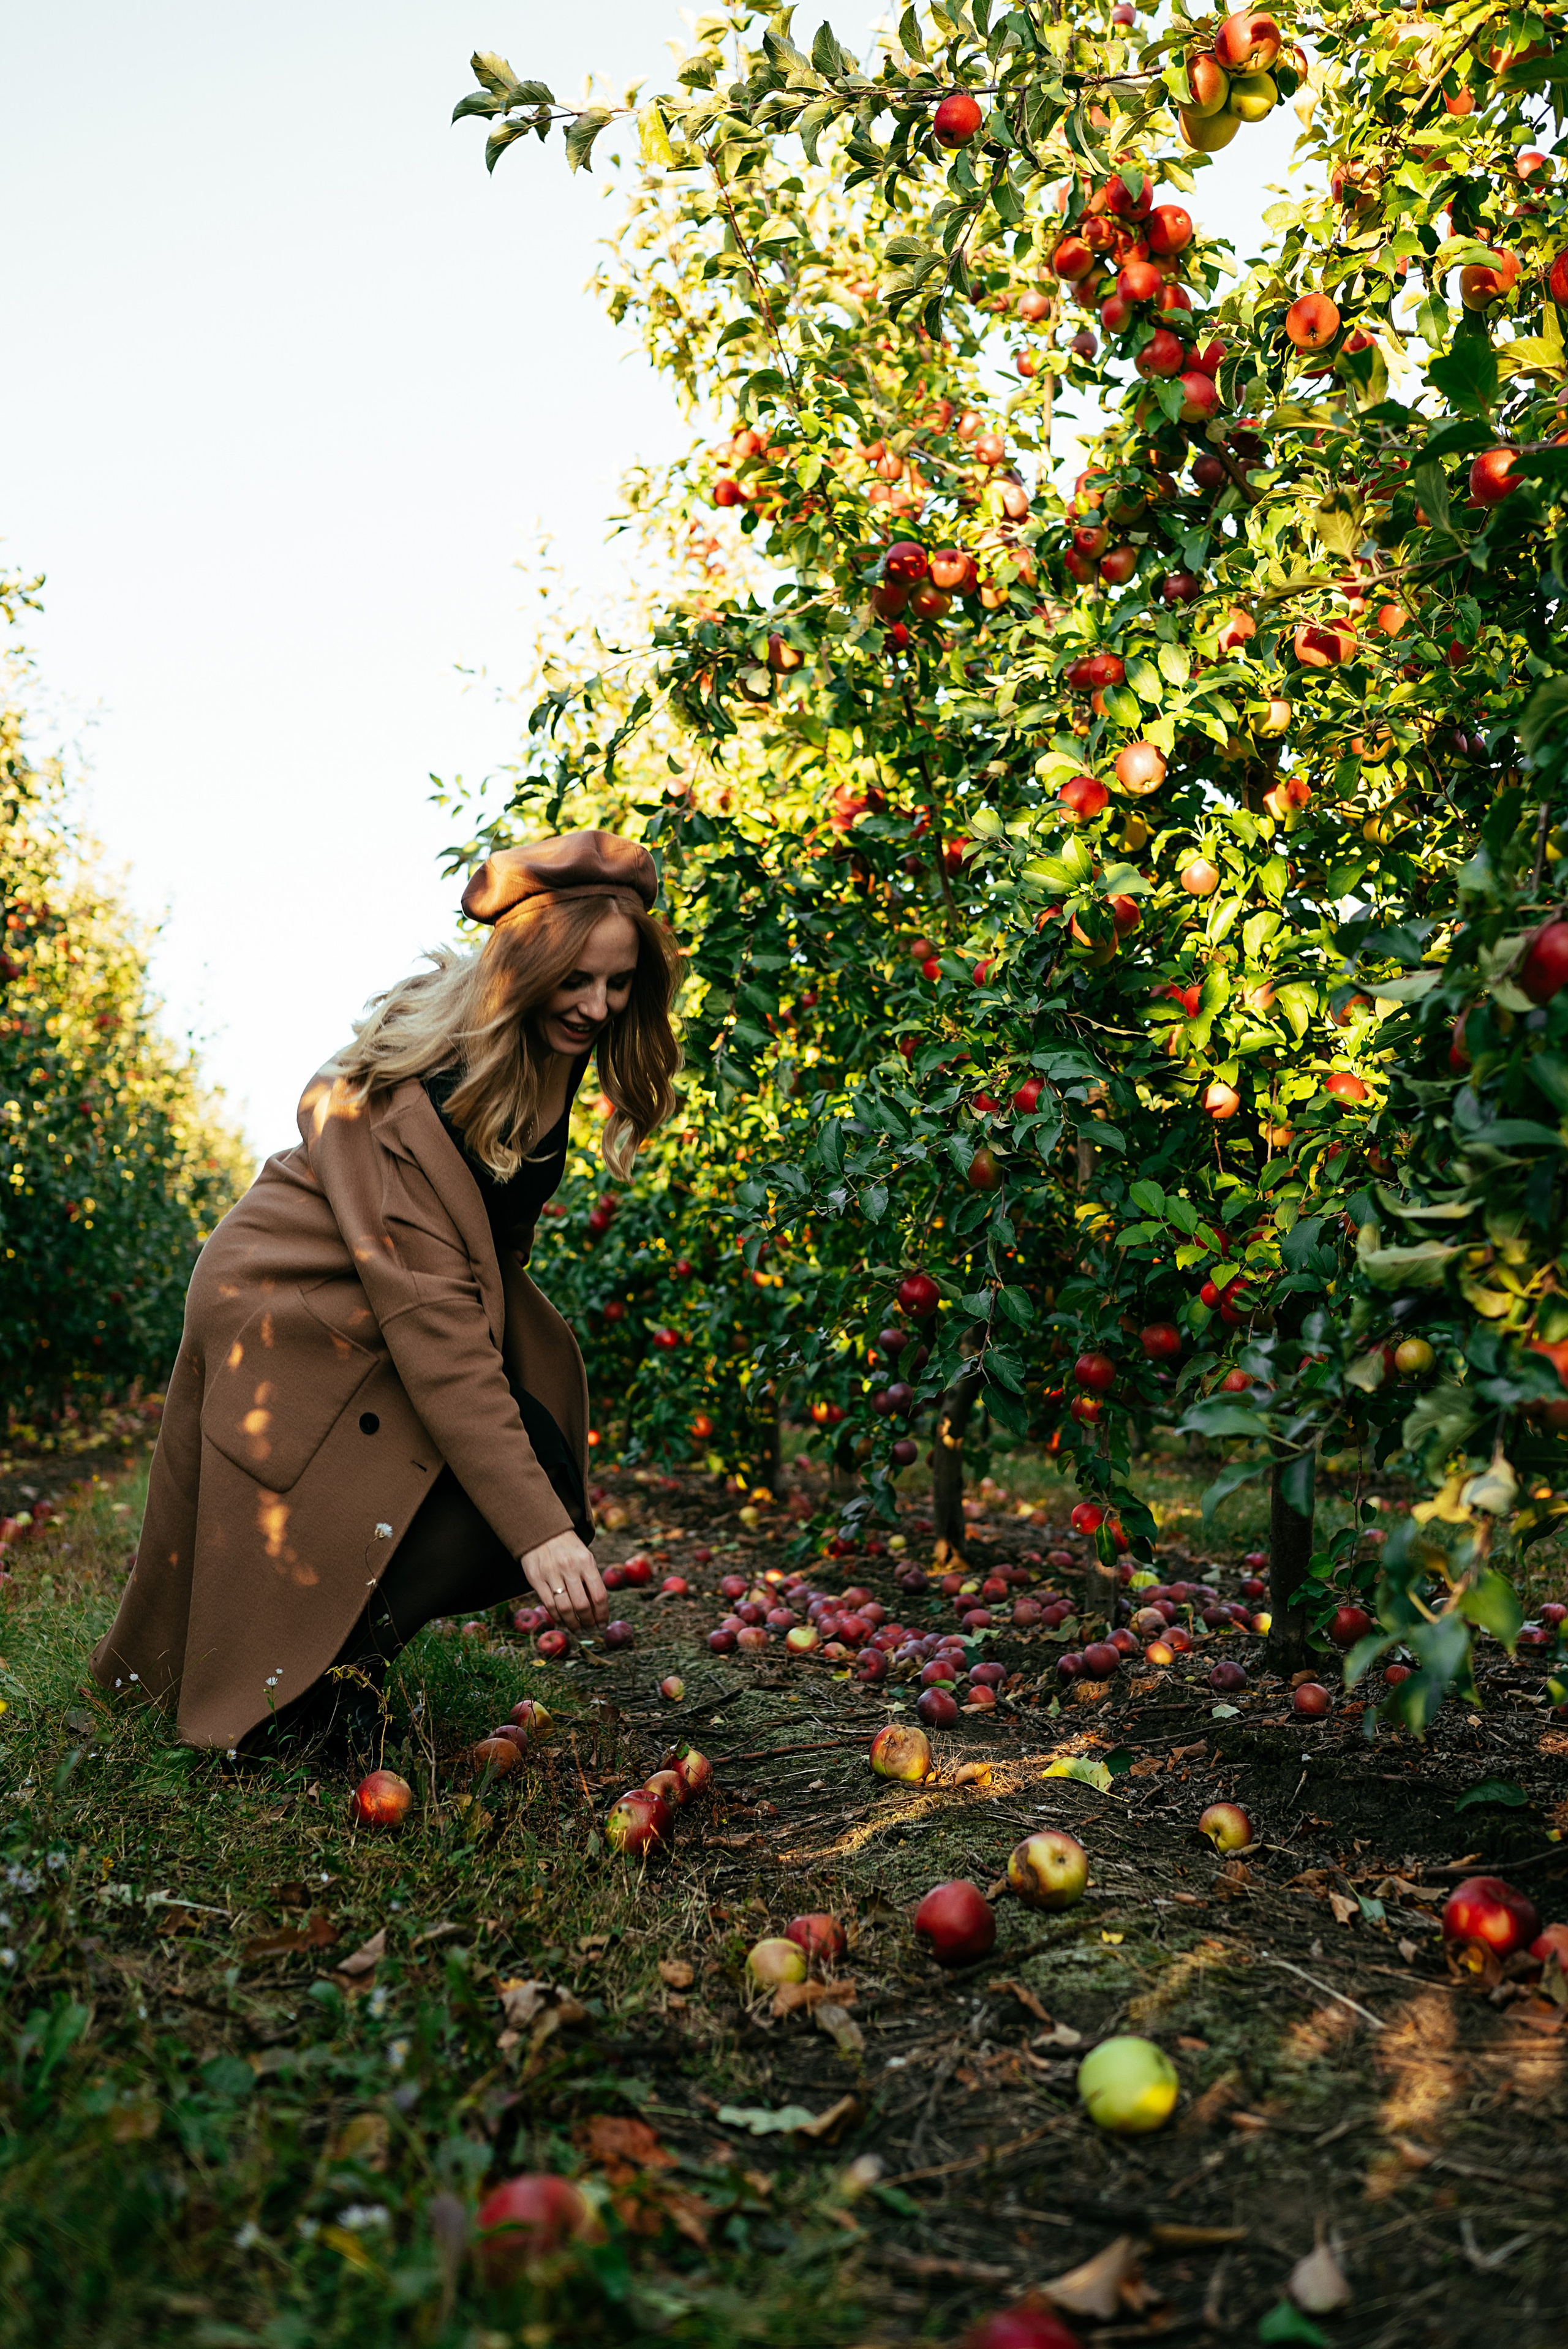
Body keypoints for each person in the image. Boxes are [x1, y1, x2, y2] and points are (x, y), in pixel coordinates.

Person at [91, 829, 680, 1754]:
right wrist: (534, 1534)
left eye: (618, 983)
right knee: (512, 1504)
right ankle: (293, 1698)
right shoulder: (436, 1091)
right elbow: (435, 1323)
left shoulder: (537, 1057)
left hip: (380, 1297)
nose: (598, 1006)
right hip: (293, 1305)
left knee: (539, 1474)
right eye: (576, 981)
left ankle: (328, 1672)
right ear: (523, 969)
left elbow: (481, 1253)